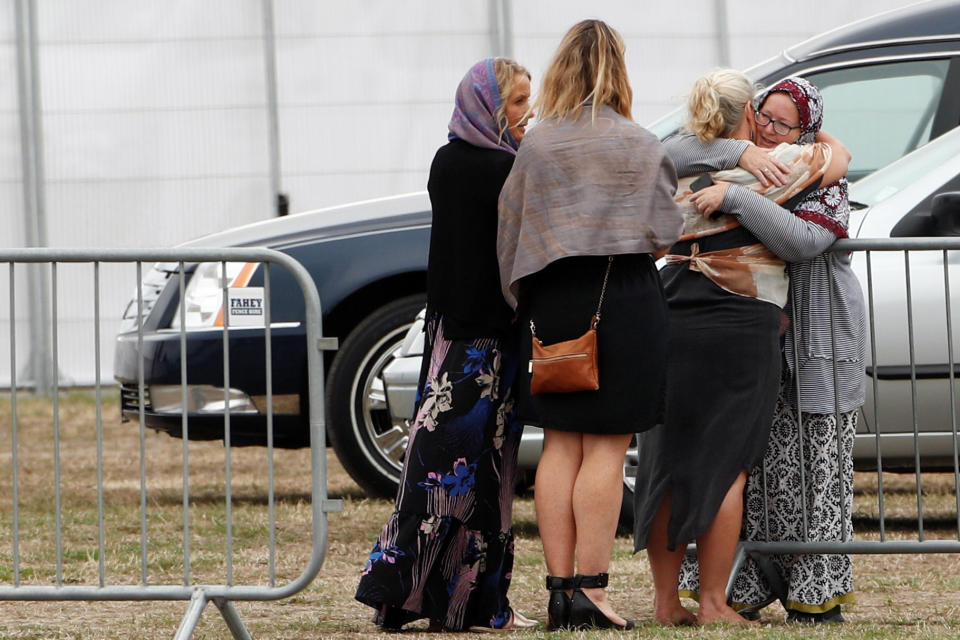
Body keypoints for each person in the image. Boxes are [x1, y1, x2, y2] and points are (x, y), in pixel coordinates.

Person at [631, 69, 846, 627]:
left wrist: (731, 177)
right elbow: (829, 176)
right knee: (726, 466)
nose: (772, 128)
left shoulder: (680, 165)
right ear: (749, 114)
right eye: (765, 116)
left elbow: (666, 149)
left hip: (671, 304)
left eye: (783, 121)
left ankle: (663, 602)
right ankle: (713, 603)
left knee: (666, 459)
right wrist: (819, 145)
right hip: (742, 317)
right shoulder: (794, 167)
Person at [497, 20, 683, 631]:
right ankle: (592, 590)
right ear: (619, 70)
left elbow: (512, 232)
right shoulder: (642, 144)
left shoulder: (540, 144)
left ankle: (557, 590)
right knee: (606, 446)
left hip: (551, 297)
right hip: (623, 295)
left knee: (558, 444)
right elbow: (663, 233)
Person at [354, 57, 537, 632]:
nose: (527, 114)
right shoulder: (501, 169)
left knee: (441, 472)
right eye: (516, 102)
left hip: (456, 338)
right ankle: (470, 600)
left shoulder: (448, 159)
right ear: (488, 106)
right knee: (473, 474)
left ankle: (414, 597)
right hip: (483, 345)